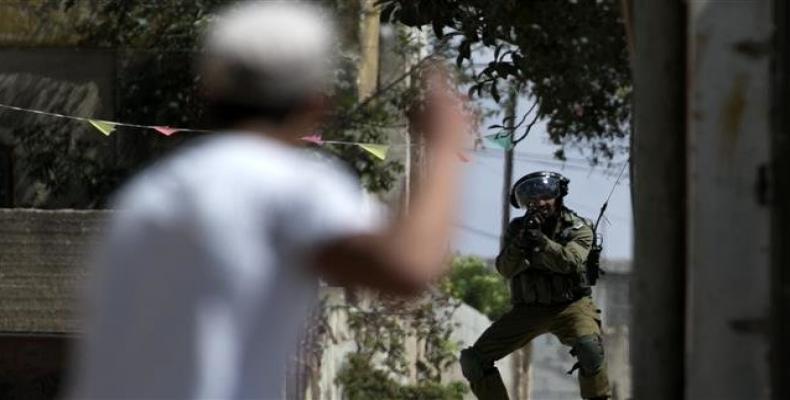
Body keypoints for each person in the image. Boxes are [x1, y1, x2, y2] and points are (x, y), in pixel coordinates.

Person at [65, 2, 468, 399]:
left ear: (208, 92)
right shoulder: (287, 182)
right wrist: (444, 145)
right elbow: (407, 266)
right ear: (317, 104)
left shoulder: (152, 191)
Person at [459, 171, 611, 400]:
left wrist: (542, 242)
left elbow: (570, 263)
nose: (540, 203)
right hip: (529, 309)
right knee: (474, 361)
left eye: (546, 196)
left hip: (570, 306)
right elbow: (505, 269)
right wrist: (521, 242)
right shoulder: (518, 229)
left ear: (558, 197)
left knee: (589, 350)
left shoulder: (579, 228)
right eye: (532, 199)